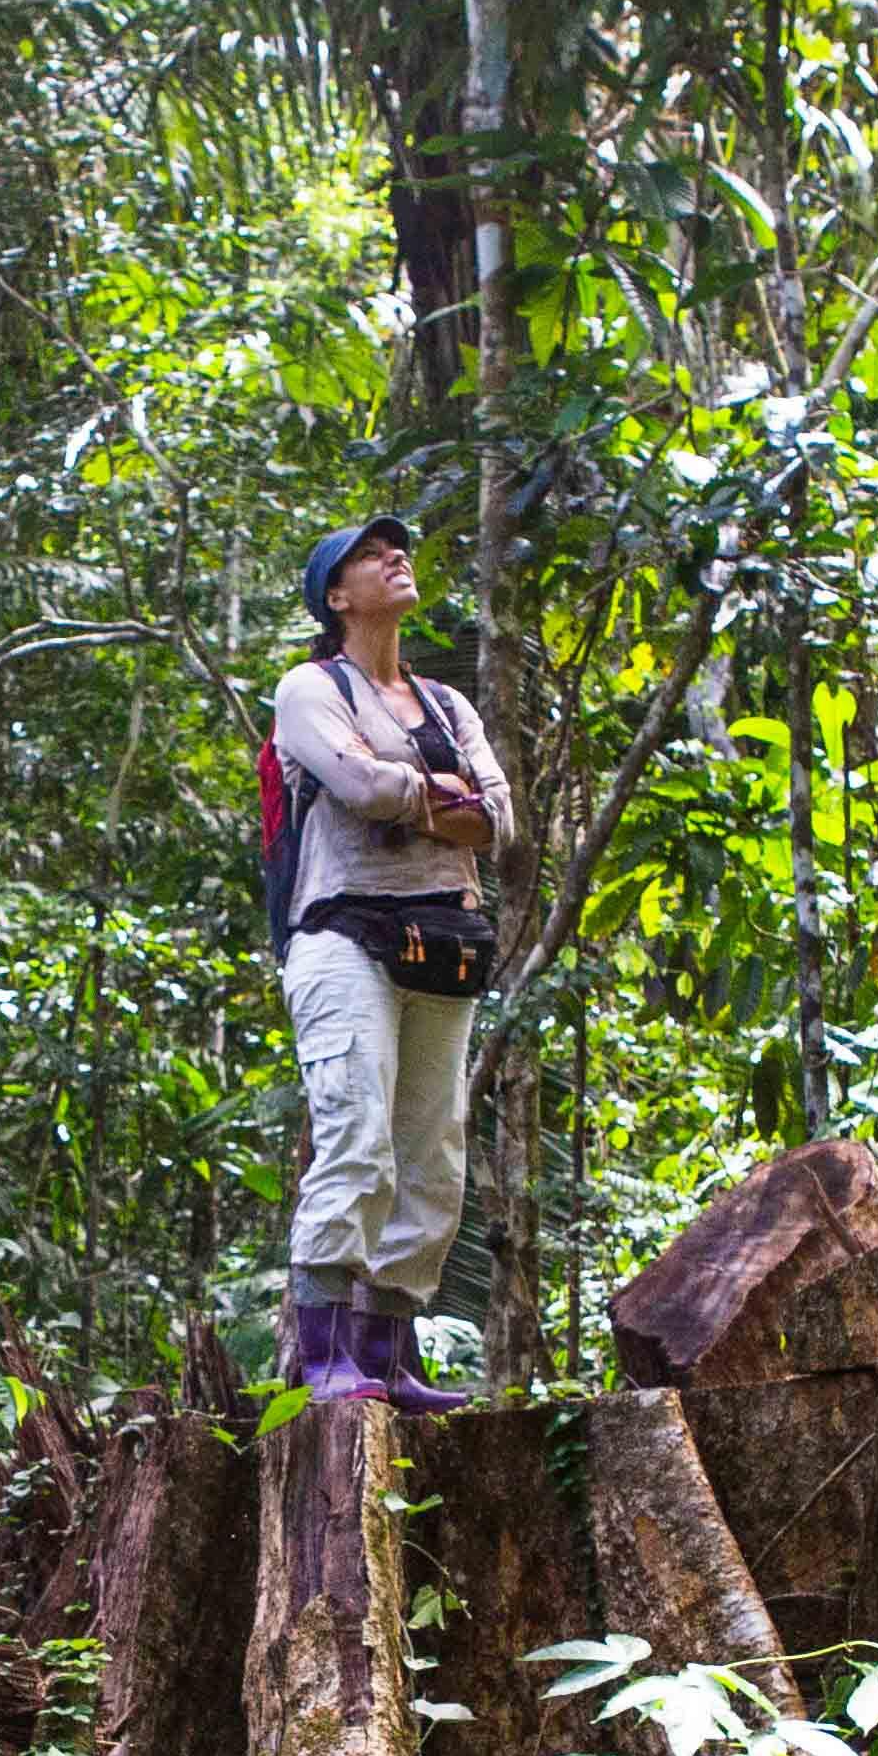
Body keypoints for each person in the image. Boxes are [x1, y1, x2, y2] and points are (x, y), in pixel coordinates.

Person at [275, 515, 513, 1408]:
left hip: (443, 940)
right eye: (372, 556)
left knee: (434, 1153)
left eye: (397, 549)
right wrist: (439, 796)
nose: (396, 560)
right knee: (356, 1133)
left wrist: (413, 796)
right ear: (337, 596)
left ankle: (388, 1354)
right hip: (342, 937)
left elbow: (502, 821)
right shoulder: (310, 687)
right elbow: (359, 786)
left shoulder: (450, 706)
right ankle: (327, 1351)